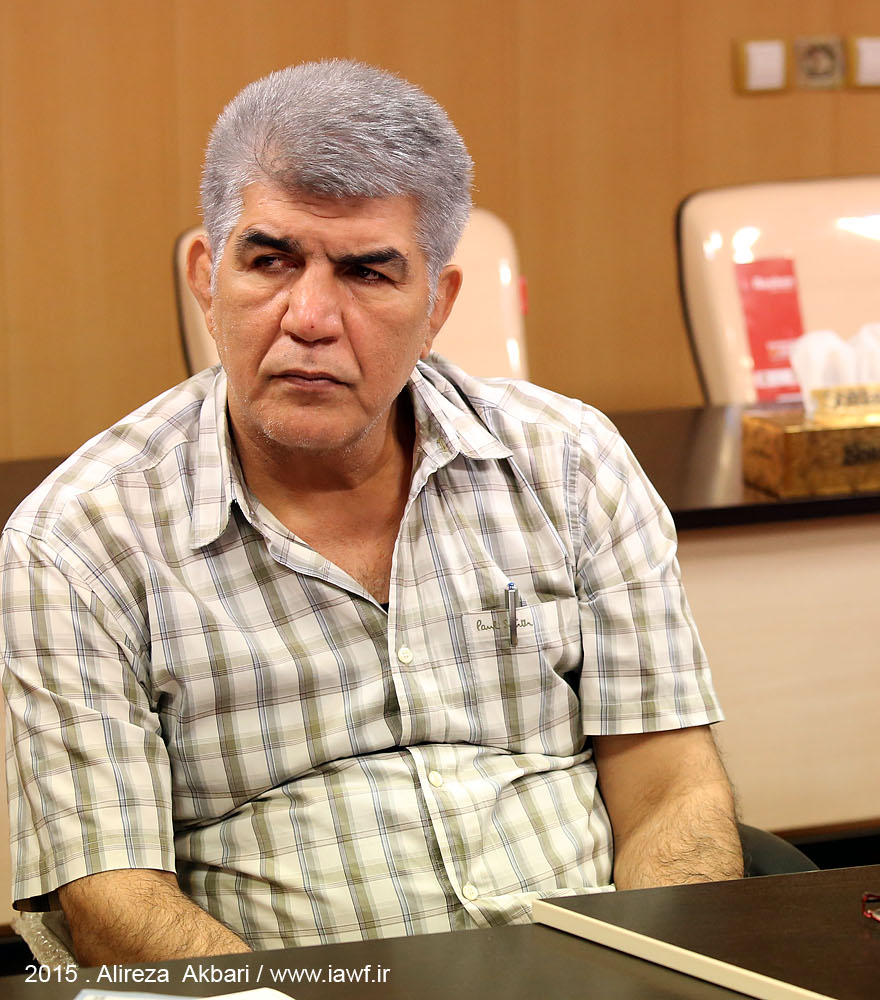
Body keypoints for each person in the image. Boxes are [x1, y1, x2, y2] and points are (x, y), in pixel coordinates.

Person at [1, 60, 740, 963]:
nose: (310, 317)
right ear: (206, 277)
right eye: (271, 261)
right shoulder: (78, 540)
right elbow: (111, 897)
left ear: (437, 306)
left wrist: (660, 977)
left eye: (366, 273)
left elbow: (671, 792)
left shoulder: (572, 462)